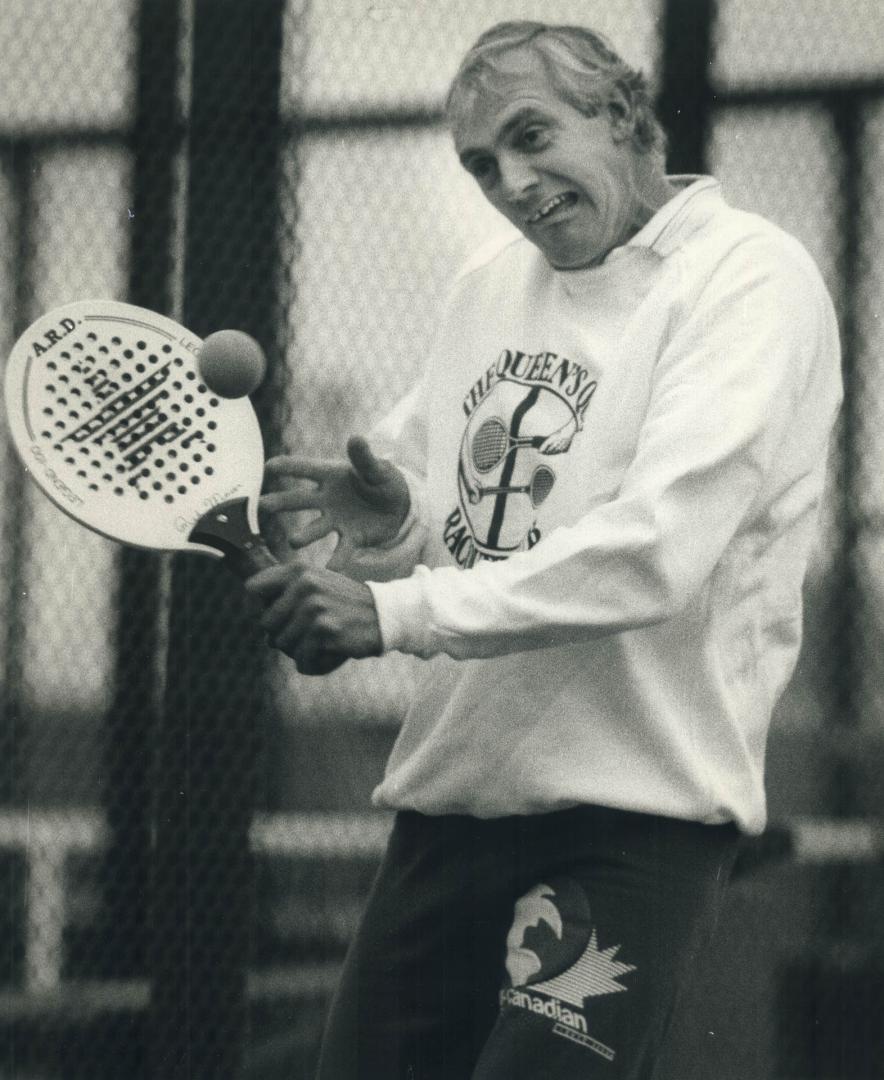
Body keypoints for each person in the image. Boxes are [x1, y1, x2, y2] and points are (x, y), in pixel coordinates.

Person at [247, 20, 843, 1079]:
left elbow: (655, 552)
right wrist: (391, 528)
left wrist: (390, 614)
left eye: (531, 137)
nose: (512, 183)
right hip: (447, 806)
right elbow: (476, 536)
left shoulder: (750, 279)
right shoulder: (487, 285)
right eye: (481, 165)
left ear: (618, 114)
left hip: (628, 823)